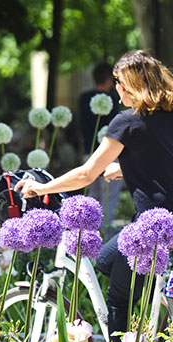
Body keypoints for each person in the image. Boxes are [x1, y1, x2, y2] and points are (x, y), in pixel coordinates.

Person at [16, 50, 173, 342]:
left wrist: (40, 188)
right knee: (106, 261)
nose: (117, 87)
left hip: (154, 226)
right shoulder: (172, 115)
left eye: (120, 81)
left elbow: (86, 175)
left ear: (130, 85)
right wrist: (126, 166)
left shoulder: (126, 121)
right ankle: (153, 335)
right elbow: (163, 159)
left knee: (118, 297)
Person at [78, 63, 122, 227]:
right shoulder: (111, 99)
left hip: (88, 152)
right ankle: (102, 232)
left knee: (93, 195)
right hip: (108, 155)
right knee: (109, 197)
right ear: (109, 80)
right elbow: (115, 127)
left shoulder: (84, 98)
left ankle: (89, 231)